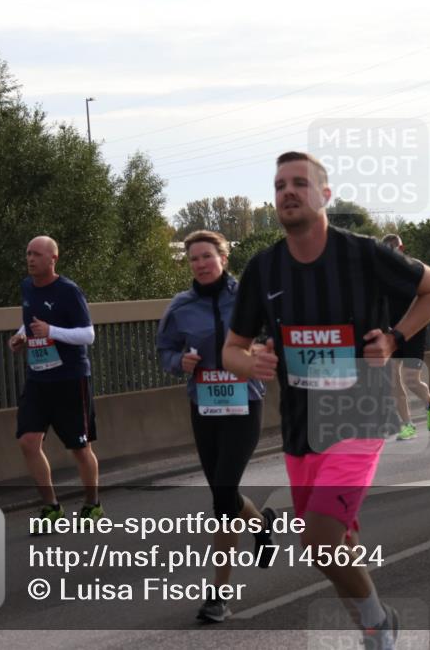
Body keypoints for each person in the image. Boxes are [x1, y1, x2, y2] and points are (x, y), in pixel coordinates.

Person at [223, 151, 430, 648]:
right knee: (327, 545)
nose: (288, 191)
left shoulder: (363, 253)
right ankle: (369, 605)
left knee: (319, 541)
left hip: (360, 415)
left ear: (324, 195)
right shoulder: (263, 270)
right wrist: (252, 363)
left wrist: (394, 337)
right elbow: (232, 350)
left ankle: (378, 624)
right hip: (300, 428)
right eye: (280, 184)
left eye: (299, 183)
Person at [156, 230, 275, 623]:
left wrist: (261, 351)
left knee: (223, 495)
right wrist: (180, 363)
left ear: (223, 258)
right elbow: (165, 351)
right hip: (204, 408)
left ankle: (218, 595)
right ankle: (261, 522)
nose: (201, 264)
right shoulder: (181, 306)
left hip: (245, 403)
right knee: (225, 494)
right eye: (193, 259)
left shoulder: (248, 296)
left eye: (207, 256)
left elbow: (275, 335)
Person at [8, 236, 102, 527]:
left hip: (70, 378)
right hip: (38, 378)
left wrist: (51, 331)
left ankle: (92, 503)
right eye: (27, 253)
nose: (30, 258)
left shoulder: (68, 291)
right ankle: (51, 507)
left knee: (79, 448)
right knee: (28, 441)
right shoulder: (26, 287)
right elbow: (30, 320)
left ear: (53, 259)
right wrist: (21, 335)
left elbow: (88, 335)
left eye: (36, 254)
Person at [380, 234, 430, 441]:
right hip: (390, 332)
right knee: (393, 381)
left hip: (414, 331)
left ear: (401, 248)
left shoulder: (414, 270)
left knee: (411, 380)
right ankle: (407, 425)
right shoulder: (381, 275)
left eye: (392, 248)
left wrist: (406, 325)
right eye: (385, 249)